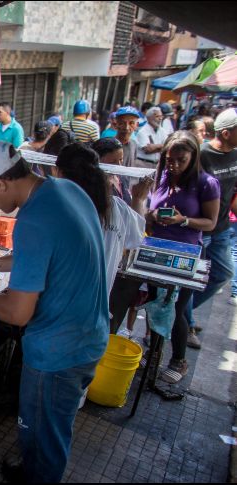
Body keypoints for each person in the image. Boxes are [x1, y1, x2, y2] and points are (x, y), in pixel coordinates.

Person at [0, 140, 108, 484]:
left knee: (44, 438)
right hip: (87, 334)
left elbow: (18, 313)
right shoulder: (65, 190)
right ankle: (32, 471)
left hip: (58, 350)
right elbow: (53, 254)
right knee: (47, 429)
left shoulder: (33, 221)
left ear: (1, 183)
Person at [147, 131, 219, 383]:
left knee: (177, 309)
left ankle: (178, 359)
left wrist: (183, 220)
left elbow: (210, 222)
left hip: (186, 254)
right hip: (156, 249)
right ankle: (153, 352)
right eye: (170, 159)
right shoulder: (161, 177)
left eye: (181, 160)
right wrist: (153, 216)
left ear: (193, 157)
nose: (174, 165)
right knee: (155, 302)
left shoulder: (206, 183)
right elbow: (148, 208)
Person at [54, 143, 148, 293]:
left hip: (65, 303)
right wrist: (138, 199)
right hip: (96, 306)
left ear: (58, 173)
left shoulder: (61, 208)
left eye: (120, 161)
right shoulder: (117, 207)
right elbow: (136, 239)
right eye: (113, 162)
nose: (118, 166)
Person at [191, 108, 237, 322]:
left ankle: (185, 314)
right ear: (226, 133)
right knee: (189, 278)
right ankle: (184, 322)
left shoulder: (236, 155)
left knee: (223, 273)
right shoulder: (202, 154)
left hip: (221, 228)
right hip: (199, 228)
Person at [92, 137, 132, 204]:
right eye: (112, 162)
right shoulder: (94, 184)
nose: (119, 165)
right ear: (98, 160)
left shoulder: (122, 178)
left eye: (121, 159)